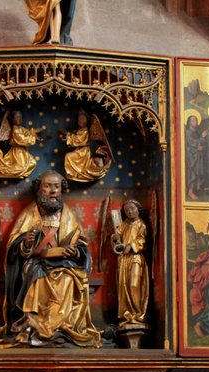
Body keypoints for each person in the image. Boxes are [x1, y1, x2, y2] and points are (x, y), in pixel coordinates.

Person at [0, 170, 101, 347]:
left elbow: (81, 244)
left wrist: (75, 252)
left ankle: (60, 327)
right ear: (39, 190)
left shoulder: (69, 215)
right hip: (35, 262)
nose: (53, 191)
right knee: (38, 278)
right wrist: (26, 244)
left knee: (68, 279)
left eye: (57, 187)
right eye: (48, 187)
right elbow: (14, 246)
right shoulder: (29, 213)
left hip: (64, 264)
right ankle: (35, 326)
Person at [112, 200, 149, 329]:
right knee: (124, 286)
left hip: (135, 258)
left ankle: (138, 315)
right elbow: (116, 237)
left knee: (134, 285)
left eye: (132, 209)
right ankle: (127, 315)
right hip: (123, 260)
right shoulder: (124, 224)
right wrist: (115, 239)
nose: (129, 212)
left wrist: (131, 246)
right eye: (127, 210)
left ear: (138, 210)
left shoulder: (141, 224)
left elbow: (142, 240)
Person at [0, 111, 44, 179]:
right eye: (17, 118)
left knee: (32, 163)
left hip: (22, 151)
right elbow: (20, 139)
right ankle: (8, 173)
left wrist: (34, 132)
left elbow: (26, 132)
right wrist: (33, 139)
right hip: (17, 151)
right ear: (12, 120)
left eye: (20, 118)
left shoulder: (20, 128)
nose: (19, 119)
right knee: (19, 167)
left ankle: (19, 174)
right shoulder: (15, 130)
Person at [60, 110, 111, 182]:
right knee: (68, 156)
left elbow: (79, 141)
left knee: (68, 156)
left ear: (87, 121)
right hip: (79, 150)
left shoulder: (85, 130)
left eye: (83, 119)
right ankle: (73, 174)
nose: (80, 121)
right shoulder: (81, 130)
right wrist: (68, 134)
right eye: (79, 119)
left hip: (84, 152)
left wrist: (68, 138)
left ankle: (76, 174)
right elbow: (76, 138)